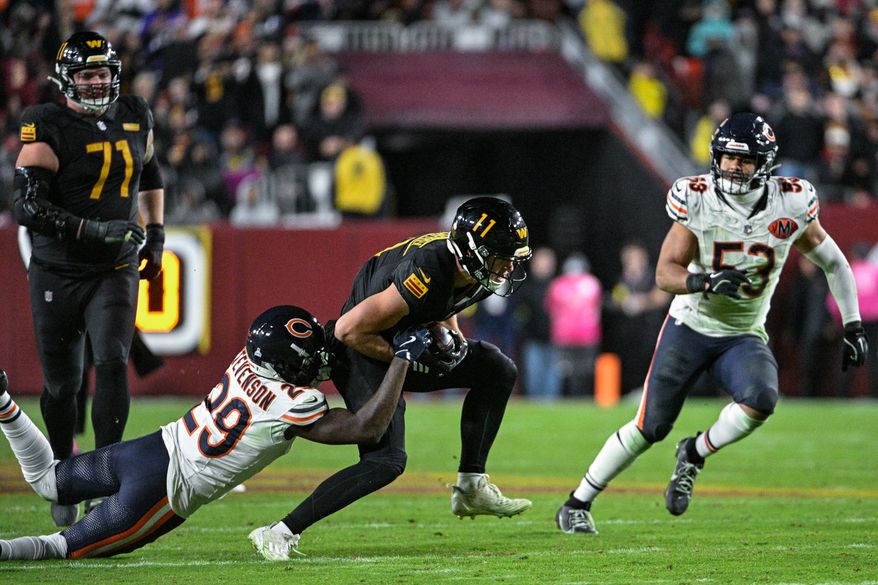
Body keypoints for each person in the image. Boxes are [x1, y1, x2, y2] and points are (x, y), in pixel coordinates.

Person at [555, 112, 869, 535]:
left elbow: (833, 261)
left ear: (766, 163)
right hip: (690, 326)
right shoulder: (697, 197)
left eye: (744, 160)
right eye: (726, 158)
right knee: (650, 427)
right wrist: (702, 280)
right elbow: (664, 272)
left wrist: (853, 324)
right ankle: (577, 502)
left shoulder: (791, 202)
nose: (733, 168)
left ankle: (695, 452)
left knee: (761, 398)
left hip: (742, 333)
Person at [0, 305, 431, 561]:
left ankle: (4, 404)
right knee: (55, 548)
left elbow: (293, 356)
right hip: (164, 492)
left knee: (48, 480)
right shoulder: (295, 404)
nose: (316, 363)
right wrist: (401, 360)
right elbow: (367, 427)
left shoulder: (246, 357)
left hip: (151, 448)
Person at [278, 197, 534, 542]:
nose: (507, 269)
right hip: (360, 350)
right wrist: (406, 356)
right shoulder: (426, 270)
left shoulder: (467, 267)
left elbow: (446, 300)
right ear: (472, 251)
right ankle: (282, 531)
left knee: (496, 368)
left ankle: (471, 487)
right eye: (501, 259)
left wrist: (454, 339)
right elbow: (347, 330)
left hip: (404, 341)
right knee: (385, 460)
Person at [11, 31, 166, 527]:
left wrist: (157, 232)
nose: (97, 82)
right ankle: (65, 471)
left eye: (103, 73)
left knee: (114, 362)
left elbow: (152, 171)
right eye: (87, 74)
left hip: (114, 265)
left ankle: (109, 476)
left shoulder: (135, 114)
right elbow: (26, 205)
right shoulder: (45, 123)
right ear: (67, 79)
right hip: (59, 266)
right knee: (62, 385)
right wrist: (92, 228)